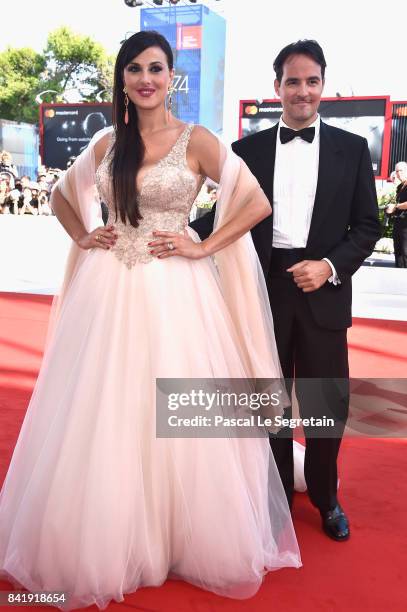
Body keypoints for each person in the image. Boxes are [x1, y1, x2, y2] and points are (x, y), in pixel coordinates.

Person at [0, 31, 300, 610]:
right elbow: (66, 194)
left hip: (176, 294)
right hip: (108, 288)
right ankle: (112, 537)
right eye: (134, 69)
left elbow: (255, 201)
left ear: (171, 77)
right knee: (106, 407)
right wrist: (84, 234)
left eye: (156, 68)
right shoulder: (108, 141)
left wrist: (204, 246)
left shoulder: (198, 140)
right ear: (122, 79)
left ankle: (179, 535)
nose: (145, 78)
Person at [191, 39, 381, 542]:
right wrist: (177, 232)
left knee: (325, 403)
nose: (302, 91)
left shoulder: (352, 148)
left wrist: (329, 266)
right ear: (276, 87)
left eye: (311, 81)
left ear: (323, 85)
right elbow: (224, 216)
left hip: (323, 292)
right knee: (266, 402)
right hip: (261, 289)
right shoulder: (245, 151)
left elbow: (367, 226)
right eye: (292, 81)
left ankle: (325, 496)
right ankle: (273, 499)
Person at [386, 161, 407, 267]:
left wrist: (396, 206)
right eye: (397, 171)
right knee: (398, 252)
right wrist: (391, 209)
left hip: (405, 225)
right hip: (398, 222)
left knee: (405, 252)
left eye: (401, 170)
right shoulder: (400, 187)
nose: (399, 173)